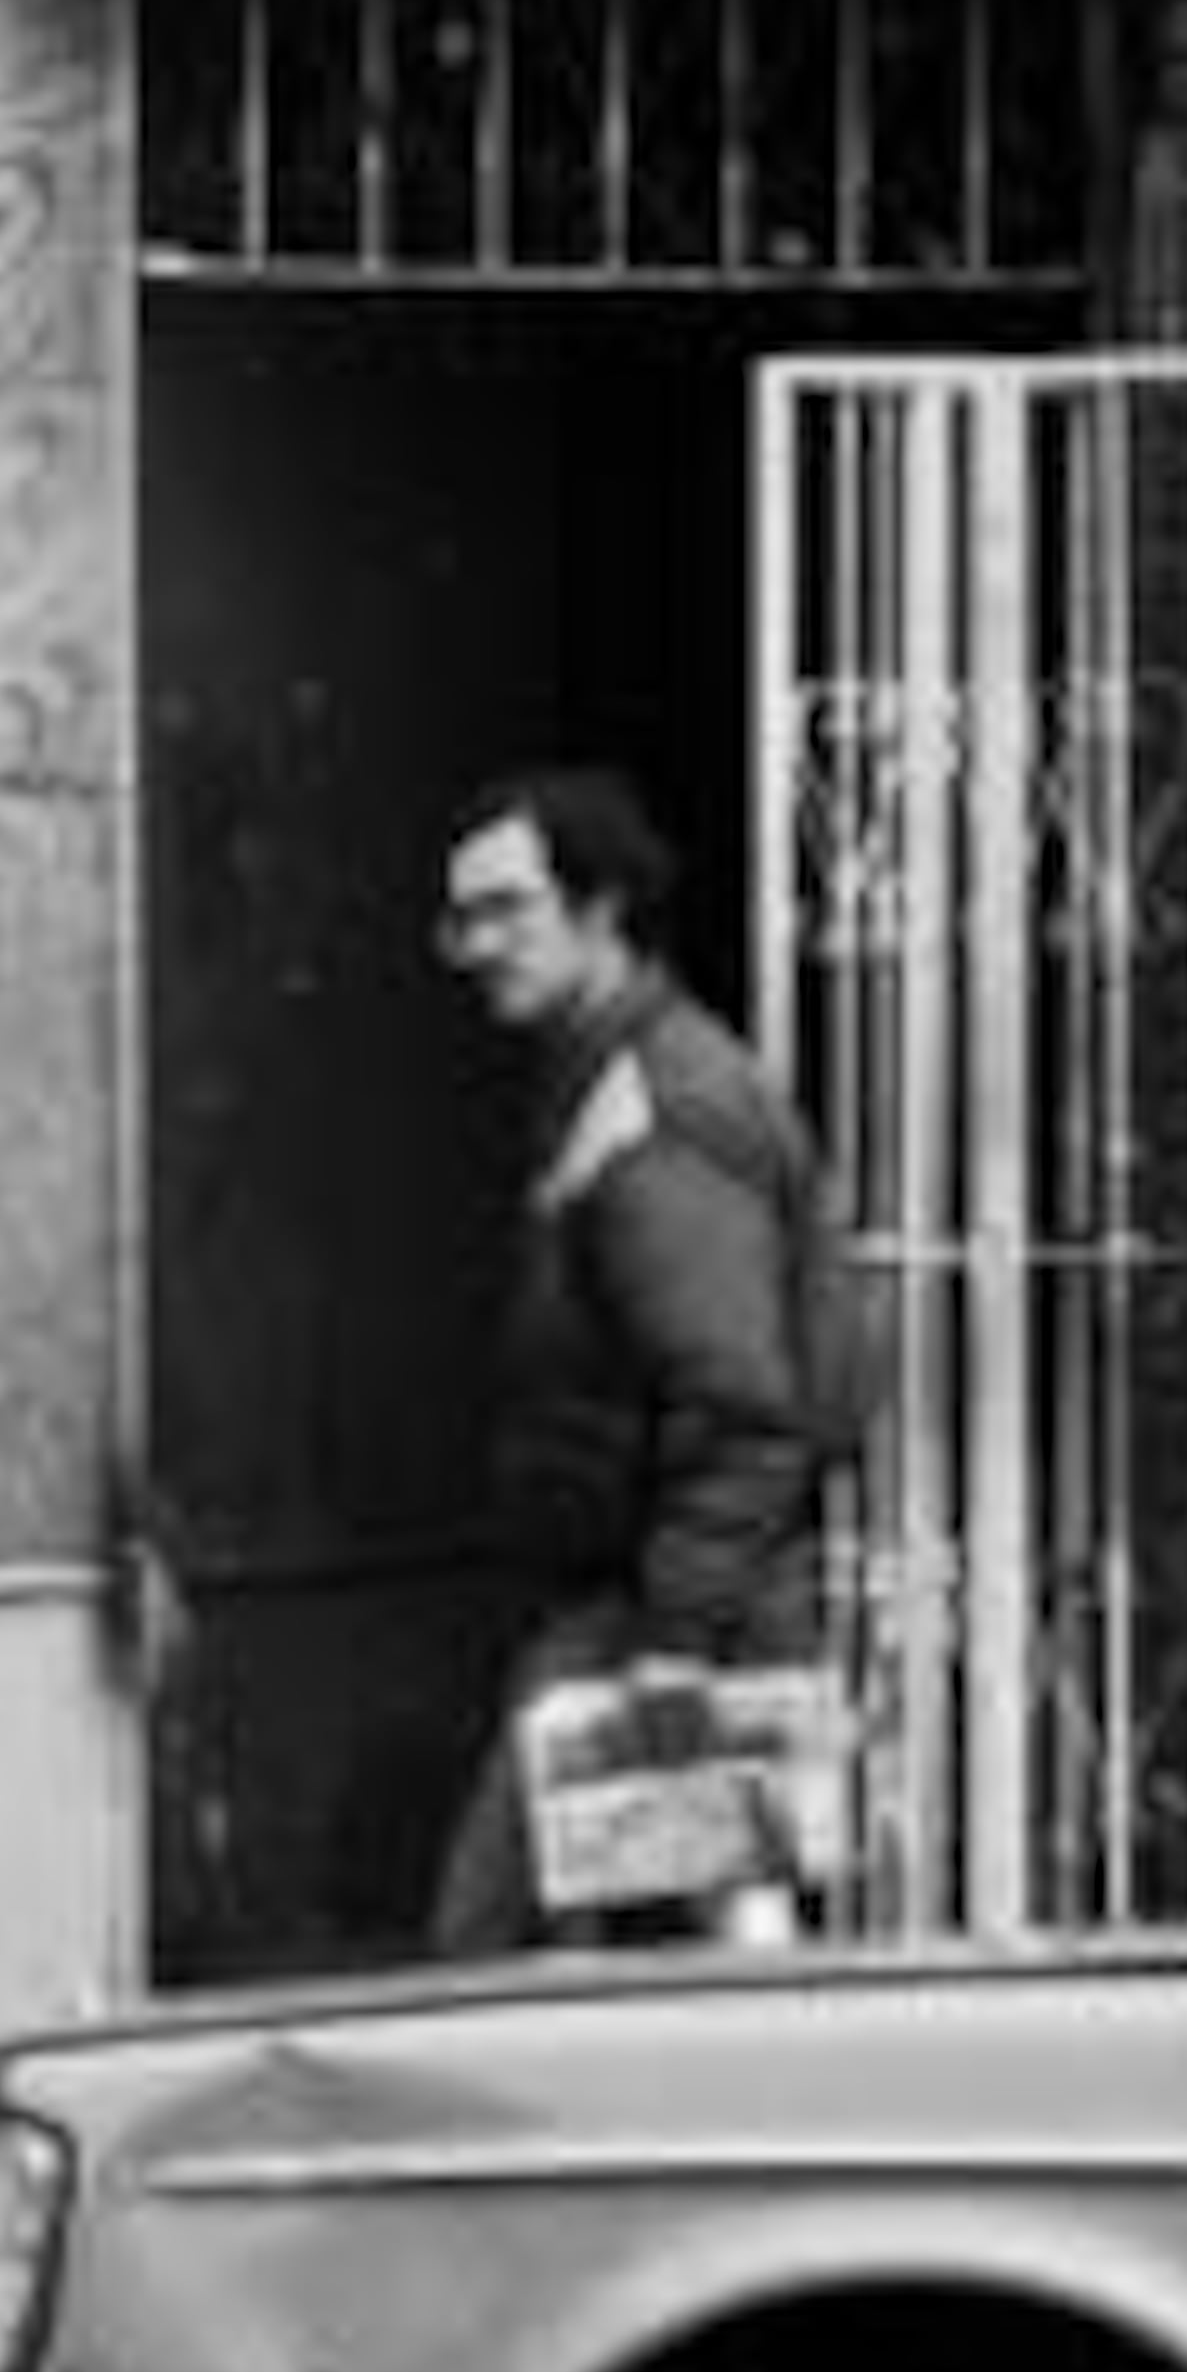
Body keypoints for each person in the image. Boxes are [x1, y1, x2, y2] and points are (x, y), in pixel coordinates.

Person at [425, 764, 838, 1955]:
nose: (478, 944)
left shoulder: (656, 1107)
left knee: (490, 1955)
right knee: (717, 1939)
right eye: (463, 915)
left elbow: (746, 1406)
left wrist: (673, 1643)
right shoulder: (611, 1080)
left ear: (601, 909)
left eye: (510, 908)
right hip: (653, 1605)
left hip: (655, 1618)